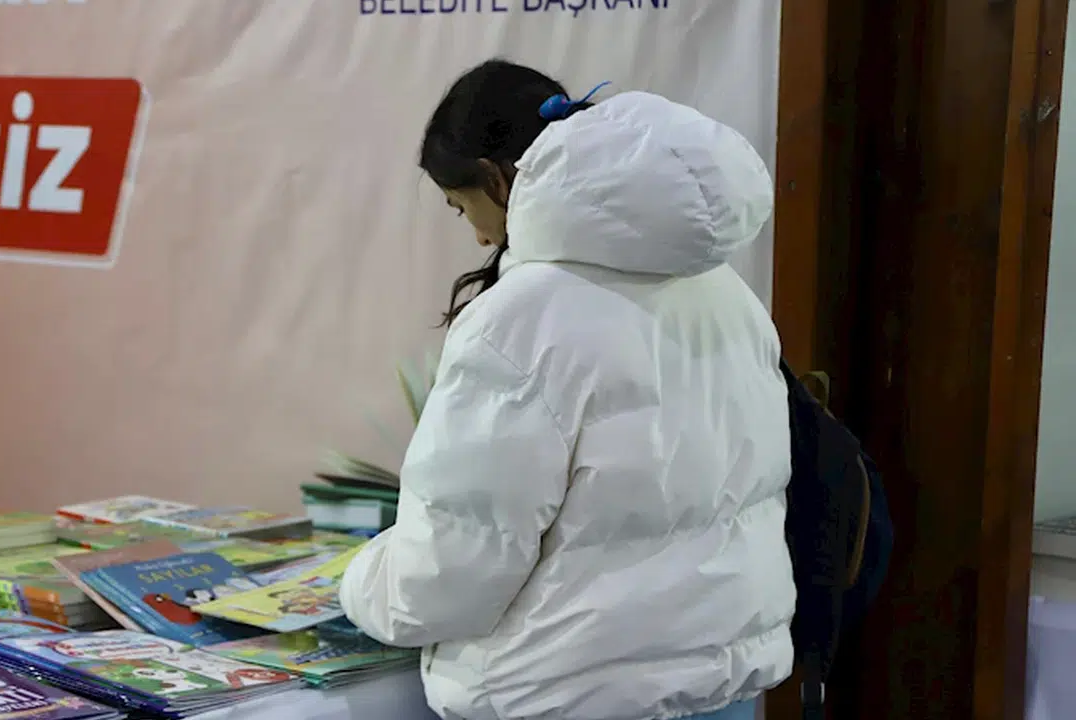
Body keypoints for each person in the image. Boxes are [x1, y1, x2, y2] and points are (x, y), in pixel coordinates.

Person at [338, 59, 795, 720]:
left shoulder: (519, 321)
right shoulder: (726, 291)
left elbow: (450, 575)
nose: (477, 234)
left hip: (569, 693)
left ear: (496, 178)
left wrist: (355, 581)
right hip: (725, 689)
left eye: (462, 206)